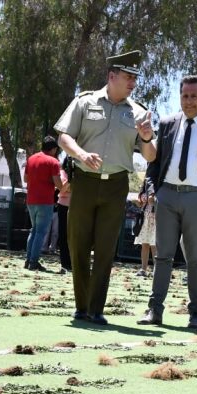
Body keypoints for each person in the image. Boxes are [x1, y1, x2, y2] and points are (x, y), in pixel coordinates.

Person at [54, 50, 157, 325]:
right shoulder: (85, 102)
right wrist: (80, 154)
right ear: (112, 76)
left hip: (116, 186)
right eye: (127, 76)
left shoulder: (138, 112)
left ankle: (96, 309)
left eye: (135, 77)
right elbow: (63, 136)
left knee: (105, 247)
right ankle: (81, 305)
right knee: (78, 244)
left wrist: (146, 138)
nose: (133, 82)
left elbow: (150, 155)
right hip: (84, 182)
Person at [137, 75, 197, 330]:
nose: (188, 101)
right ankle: (154, 310)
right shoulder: (167, 123)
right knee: (163, 256)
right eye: (184, 96)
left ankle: (195, 314)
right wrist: (151, 189)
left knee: (195, 259)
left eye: (193, 96)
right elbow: (153, 162)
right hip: (167, 196)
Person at [22, 136, 63, 271]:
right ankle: (34, 262)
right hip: (45, 201)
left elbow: (26, 178)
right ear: (54, 149)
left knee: (33, 231)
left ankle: (28, 261)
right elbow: (58, 183)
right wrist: (62, 186)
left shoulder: (31, 159)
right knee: (41, 232)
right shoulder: (54, 162)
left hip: (31, 200)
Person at [133, 186, 157, 277]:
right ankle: (143, 269)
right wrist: (136, 201)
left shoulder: (158, 185)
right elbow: (140, 203)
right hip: (144, 219)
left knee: (154, 244)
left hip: (156, 218)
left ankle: (156, 270)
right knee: (144, 244)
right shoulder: (145, 186)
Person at [56, 159, 73, 272]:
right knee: (63, 236)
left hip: (76, 207)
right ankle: (64, 263)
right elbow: (62, 189)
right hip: (63, 207)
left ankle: (73, 263)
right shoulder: (62, 173)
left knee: (74, 236)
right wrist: (70, 181)